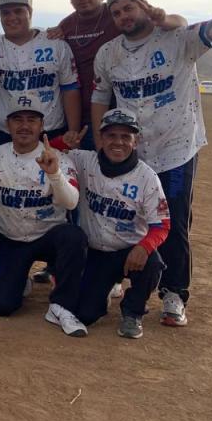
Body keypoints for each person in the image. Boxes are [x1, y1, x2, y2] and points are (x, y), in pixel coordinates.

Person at [91, 0, 212, 327]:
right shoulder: (108, 54)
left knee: (174, 220)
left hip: (176, 148)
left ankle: (174, 292)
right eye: (117, 11)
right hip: (132, 152)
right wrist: (98, 142)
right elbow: (100, 97)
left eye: (129, 7)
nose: (123, 15)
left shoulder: (177, 40)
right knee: (126, 214)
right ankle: (123, 280)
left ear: (144, 6)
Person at [0, 104, 89, 336]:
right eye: (18, 120)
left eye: (31, 120)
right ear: (7, 125)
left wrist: (54, 173)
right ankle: (19, 278)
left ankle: (61, 306)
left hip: (49, 236)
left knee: (73, 237)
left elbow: (71, 202)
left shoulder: (57, 158)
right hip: (12, 238)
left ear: (42, 125)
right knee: (2, 306)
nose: (24, 126)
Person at [60, 110, 170, 339]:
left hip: (129, 252)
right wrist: (62, 141)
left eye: (125, 136)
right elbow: (46, 151)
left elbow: (162, 225)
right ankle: (107, 287)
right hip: (97, 252)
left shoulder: (147, 177)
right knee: (85, 314)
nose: (118, 142)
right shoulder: (84, 161)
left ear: (135, 140)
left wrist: (144, 247)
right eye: (111, 135)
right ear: (100, 138)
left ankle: (133, 311)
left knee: (152, 262)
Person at [49, 0, 186, 151]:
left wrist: (164, 19)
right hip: (77, 115)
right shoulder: (66, 25)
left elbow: (180, 23)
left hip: (118, 113)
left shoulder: (119, 13)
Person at [0, 0, 81, 151]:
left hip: (50, 131)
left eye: (18, 11)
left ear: (29, 11)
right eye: (5, 13)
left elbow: (70, 88)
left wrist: (73, 130)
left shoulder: (55, 43)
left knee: (54, 175)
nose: (12, 17)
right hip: (4, 133)